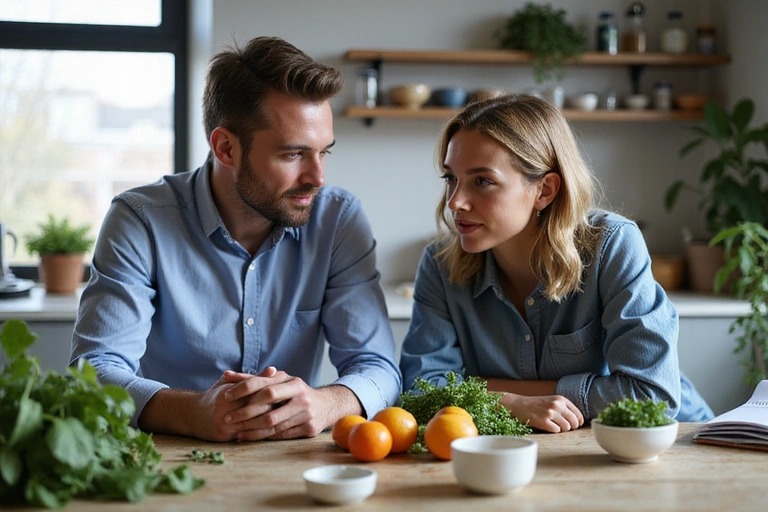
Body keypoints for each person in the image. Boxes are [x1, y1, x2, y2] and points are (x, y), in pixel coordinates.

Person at [71, 36, 401, 443]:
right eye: (293, 155)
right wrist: (195, 413)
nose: (318, 178)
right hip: (167, 458)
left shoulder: (338, 220)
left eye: (323, 152)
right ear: (226, 147)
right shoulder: (140, 220)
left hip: (292, 464)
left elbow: (379, 368)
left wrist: (325, 403)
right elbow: (94, 370)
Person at [399, 94, 713, 433]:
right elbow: (421, 391)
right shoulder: (440, 264)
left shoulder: (612, 245)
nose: (456, 202)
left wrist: (484, 391)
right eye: (451, 178)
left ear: (545, 190)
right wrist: (513, 404)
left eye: (482, 181)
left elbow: (652, 396)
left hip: (676, 442)